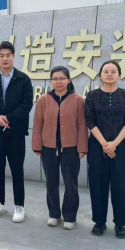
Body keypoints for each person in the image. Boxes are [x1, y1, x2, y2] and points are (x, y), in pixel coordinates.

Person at [0, 41, 34, 223]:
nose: (5, 59)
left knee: (17, 169)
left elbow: (27, 104)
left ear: (13, 57)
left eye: (8, 55)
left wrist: (9, 118)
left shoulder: (23, 79)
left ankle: (19, 205)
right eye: (1, 56)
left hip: (15, 132)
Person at [85, 61, 125, 239]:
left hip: (121, 147)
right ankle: (99, 222)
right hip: (97, 147)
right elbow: (90, 120)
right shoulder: (92, 95)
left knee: (121, 186)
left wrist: (114, 144)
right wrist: (104, 144)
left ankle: (120, 224)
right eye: (105, 71)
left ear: (119, 75)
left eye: (113, 71)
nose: (109, 74)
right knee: (97, 184)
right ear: (100, 75)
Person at [33, 66, 88, 230]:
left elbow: (82, 125)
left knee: (71, 183)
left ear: (68, 80)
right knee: (51, 182)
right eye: (55, 79)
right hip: (48, 147)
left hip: (71, 148)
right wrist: (37, 145)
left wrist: (82, 148)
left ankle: (70, 216)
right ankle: (54, 214)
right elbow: (38, 124)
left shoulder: (78, 99)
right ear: (51, 81)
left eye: (62, 78)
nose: (58, 82)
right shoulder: (44, 99)